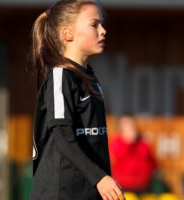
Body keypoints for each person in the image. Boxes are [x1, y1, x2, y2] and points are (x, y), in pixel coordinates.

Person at [30, 1, 124, 200]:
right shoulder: (59, 77)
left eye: (102, 24)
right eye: (94, 24)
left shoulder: (90, 78)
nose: (103, 30)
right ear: (67, 34)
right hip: (60, 193)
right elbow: (63, 137)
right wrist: (100, 178)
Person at [110, 115, 158, 195]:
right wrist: (127, 143)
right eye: (126, 125)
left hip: (143, 186)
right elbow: (117, 157)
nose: (130, 128)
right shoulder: (116, 142)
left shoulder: (143, 143)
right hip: (123, 186)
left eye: (131, 125)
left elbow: (152, 163)